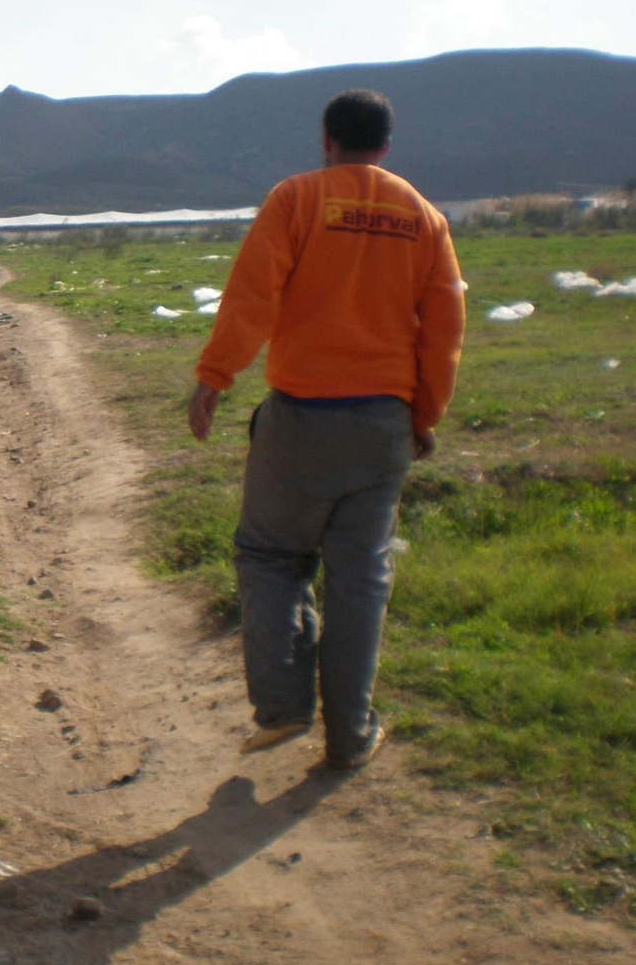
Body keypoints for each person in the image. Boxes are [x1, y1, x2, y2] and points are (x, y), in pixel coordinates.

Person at [187, 89, 465, 770]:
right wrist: (424, 415)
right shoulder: (423, 217)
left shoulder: (298, 199)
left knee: (270, 557)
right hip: (383, 424)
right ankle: (350, 735)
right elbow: (445, 331)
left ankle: (283, 706)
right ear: (387, 146)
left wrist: (215, 376)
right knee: (360, 580)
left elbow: (254, 293)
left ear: (327, 139)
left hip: (301, 416)